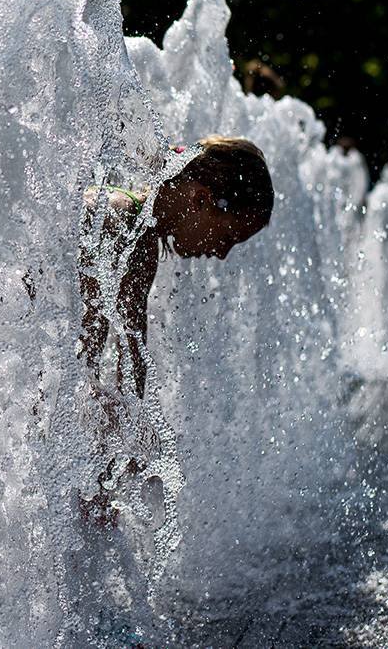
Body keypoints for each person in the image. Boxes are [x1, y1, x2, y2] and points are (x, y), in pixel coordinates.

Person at [77, 135, 275, 526]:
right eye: (227, 237)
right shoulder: (116, 220)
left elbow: (132, 360)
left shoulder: (141, 237)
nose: (221, 254)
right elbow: (79, 354)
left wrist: (124, 448)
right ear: (201, 200)